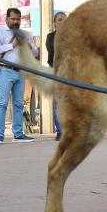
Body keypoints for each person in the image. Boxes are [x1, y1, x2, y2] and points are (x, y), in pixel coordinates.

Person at [0, 7, 38, 143]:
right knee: (2, 103)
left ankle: (18, 134)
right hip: (5, 70)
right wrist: (11, 45)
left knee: (18, 104)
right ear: (6, 19)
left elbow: (35, 53)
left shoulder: (25, 34)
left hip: (20, 72)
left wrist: (29, 46)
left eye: (18, 19)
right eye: (13, 19)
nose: (16, 22)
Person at [46, 10, 66, 140]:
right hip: (56, 71)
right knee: (58, 102)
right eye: (60, 20)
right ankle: (60, 131)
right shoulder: (51, 37)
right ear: (54, 23)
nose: (63, 22)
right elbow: (53, 53)